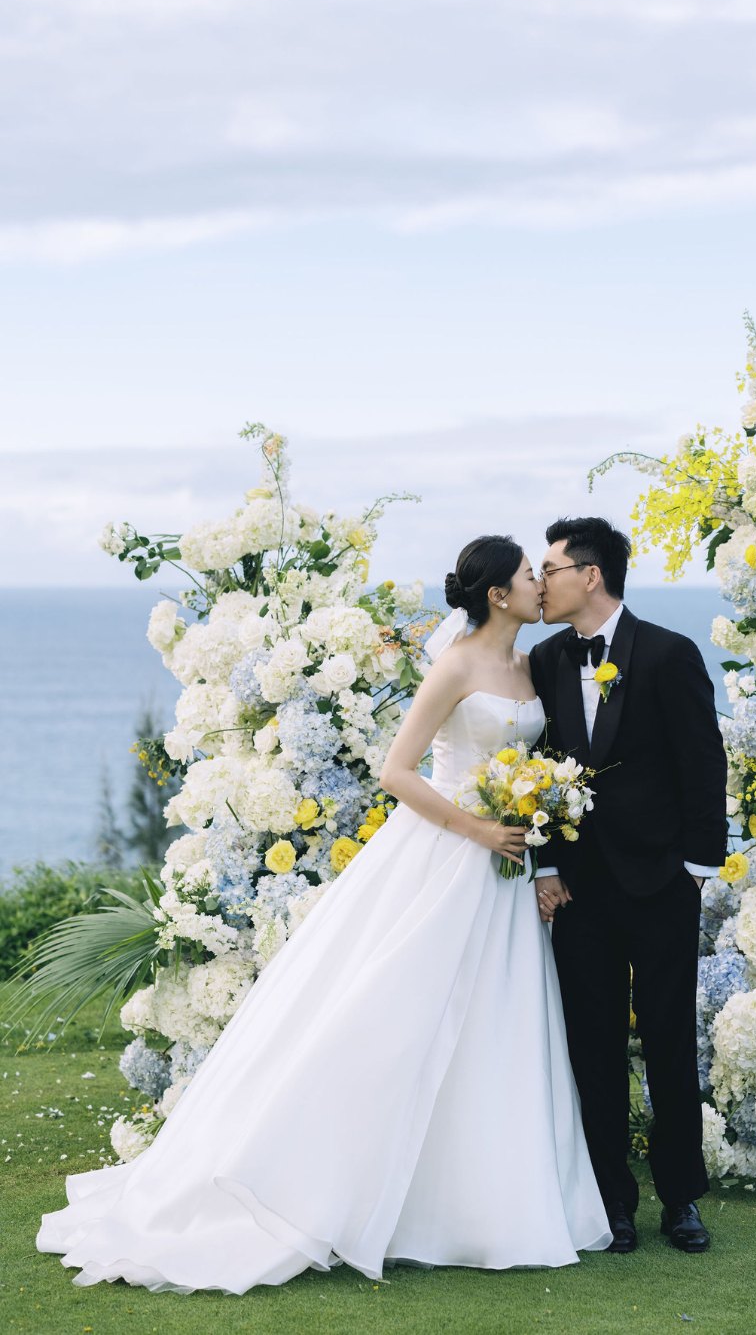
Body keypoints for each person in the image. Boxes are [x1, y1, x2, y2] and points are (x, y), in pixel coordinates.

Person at [37, 535, 611, 1293]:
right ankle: (312, 1180)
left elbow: (533, 763)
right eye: (530, 575)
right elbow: (397, 770)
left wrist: (534, 831)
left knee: (492, 1023)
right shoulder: (457, 665)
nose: (543, 582)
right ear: (498, 594)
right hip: (443, 857)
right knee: (391, 1014)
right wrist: (478, 828)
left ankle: (476, 1202)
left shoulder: (527, 665)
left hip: (506, 869)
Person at [529, 517, 728, 1255]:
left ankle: (682, 1200)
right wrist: (545, 868)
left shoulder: (671, 654)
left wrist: (695, 870)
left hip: (661, 884)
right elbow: (532, 778)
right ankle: (612, 1204)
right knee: (593, 1049)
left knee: (672, 1043)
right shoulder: (545, 660)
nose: (540, 581)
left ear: (591, 575)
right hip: (579, 892)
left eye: (549, 568)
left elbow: (704, 766)